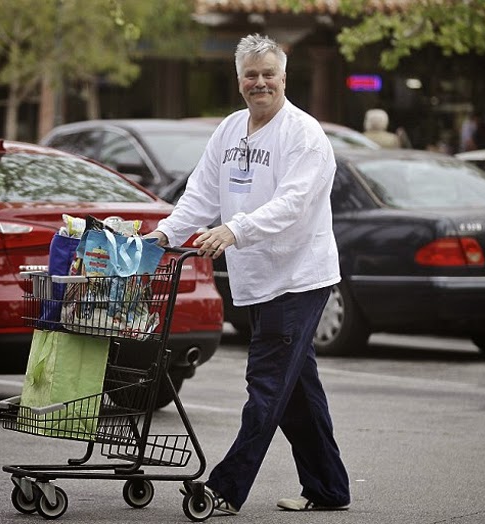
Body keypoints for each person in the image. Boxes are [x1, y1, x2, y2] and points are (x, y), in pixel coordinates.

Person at [145, 33, 351, 515]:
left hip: (299, 277)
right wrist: (165, 235)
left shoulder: (304, 135)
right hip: (257, 276)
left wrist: (234, 230)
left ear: (284, 78)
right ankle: (329, 488)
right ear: (239, 80)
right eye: (251, 75)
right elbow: (201, 192)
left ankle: (225, 488)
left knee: (266, 385)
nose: (260, 83)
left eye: (269, 74)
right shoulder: (232, 129)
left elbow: (293, 204)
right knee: (295, 388)